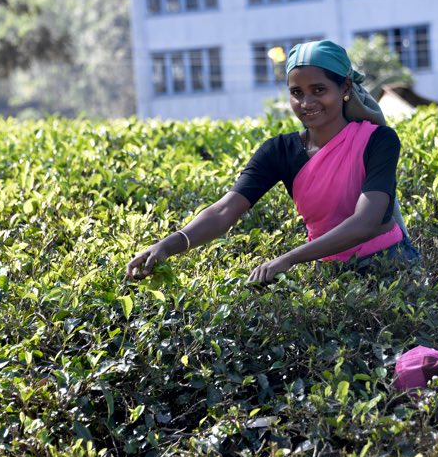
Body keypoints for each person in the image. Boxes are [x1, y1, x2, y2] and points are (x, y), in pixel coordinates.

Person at [125, 40, 419, 284]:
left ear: (344, 90)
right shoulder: (279, 151)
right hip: (329, 274)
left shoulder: (379, 140)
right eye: (296, 93)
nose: (306, 103)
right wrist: (167, 245)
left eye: (319, 90)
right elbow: (224, 211)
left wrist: (290, 258)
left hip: (390, 266)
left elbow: (367, 221)